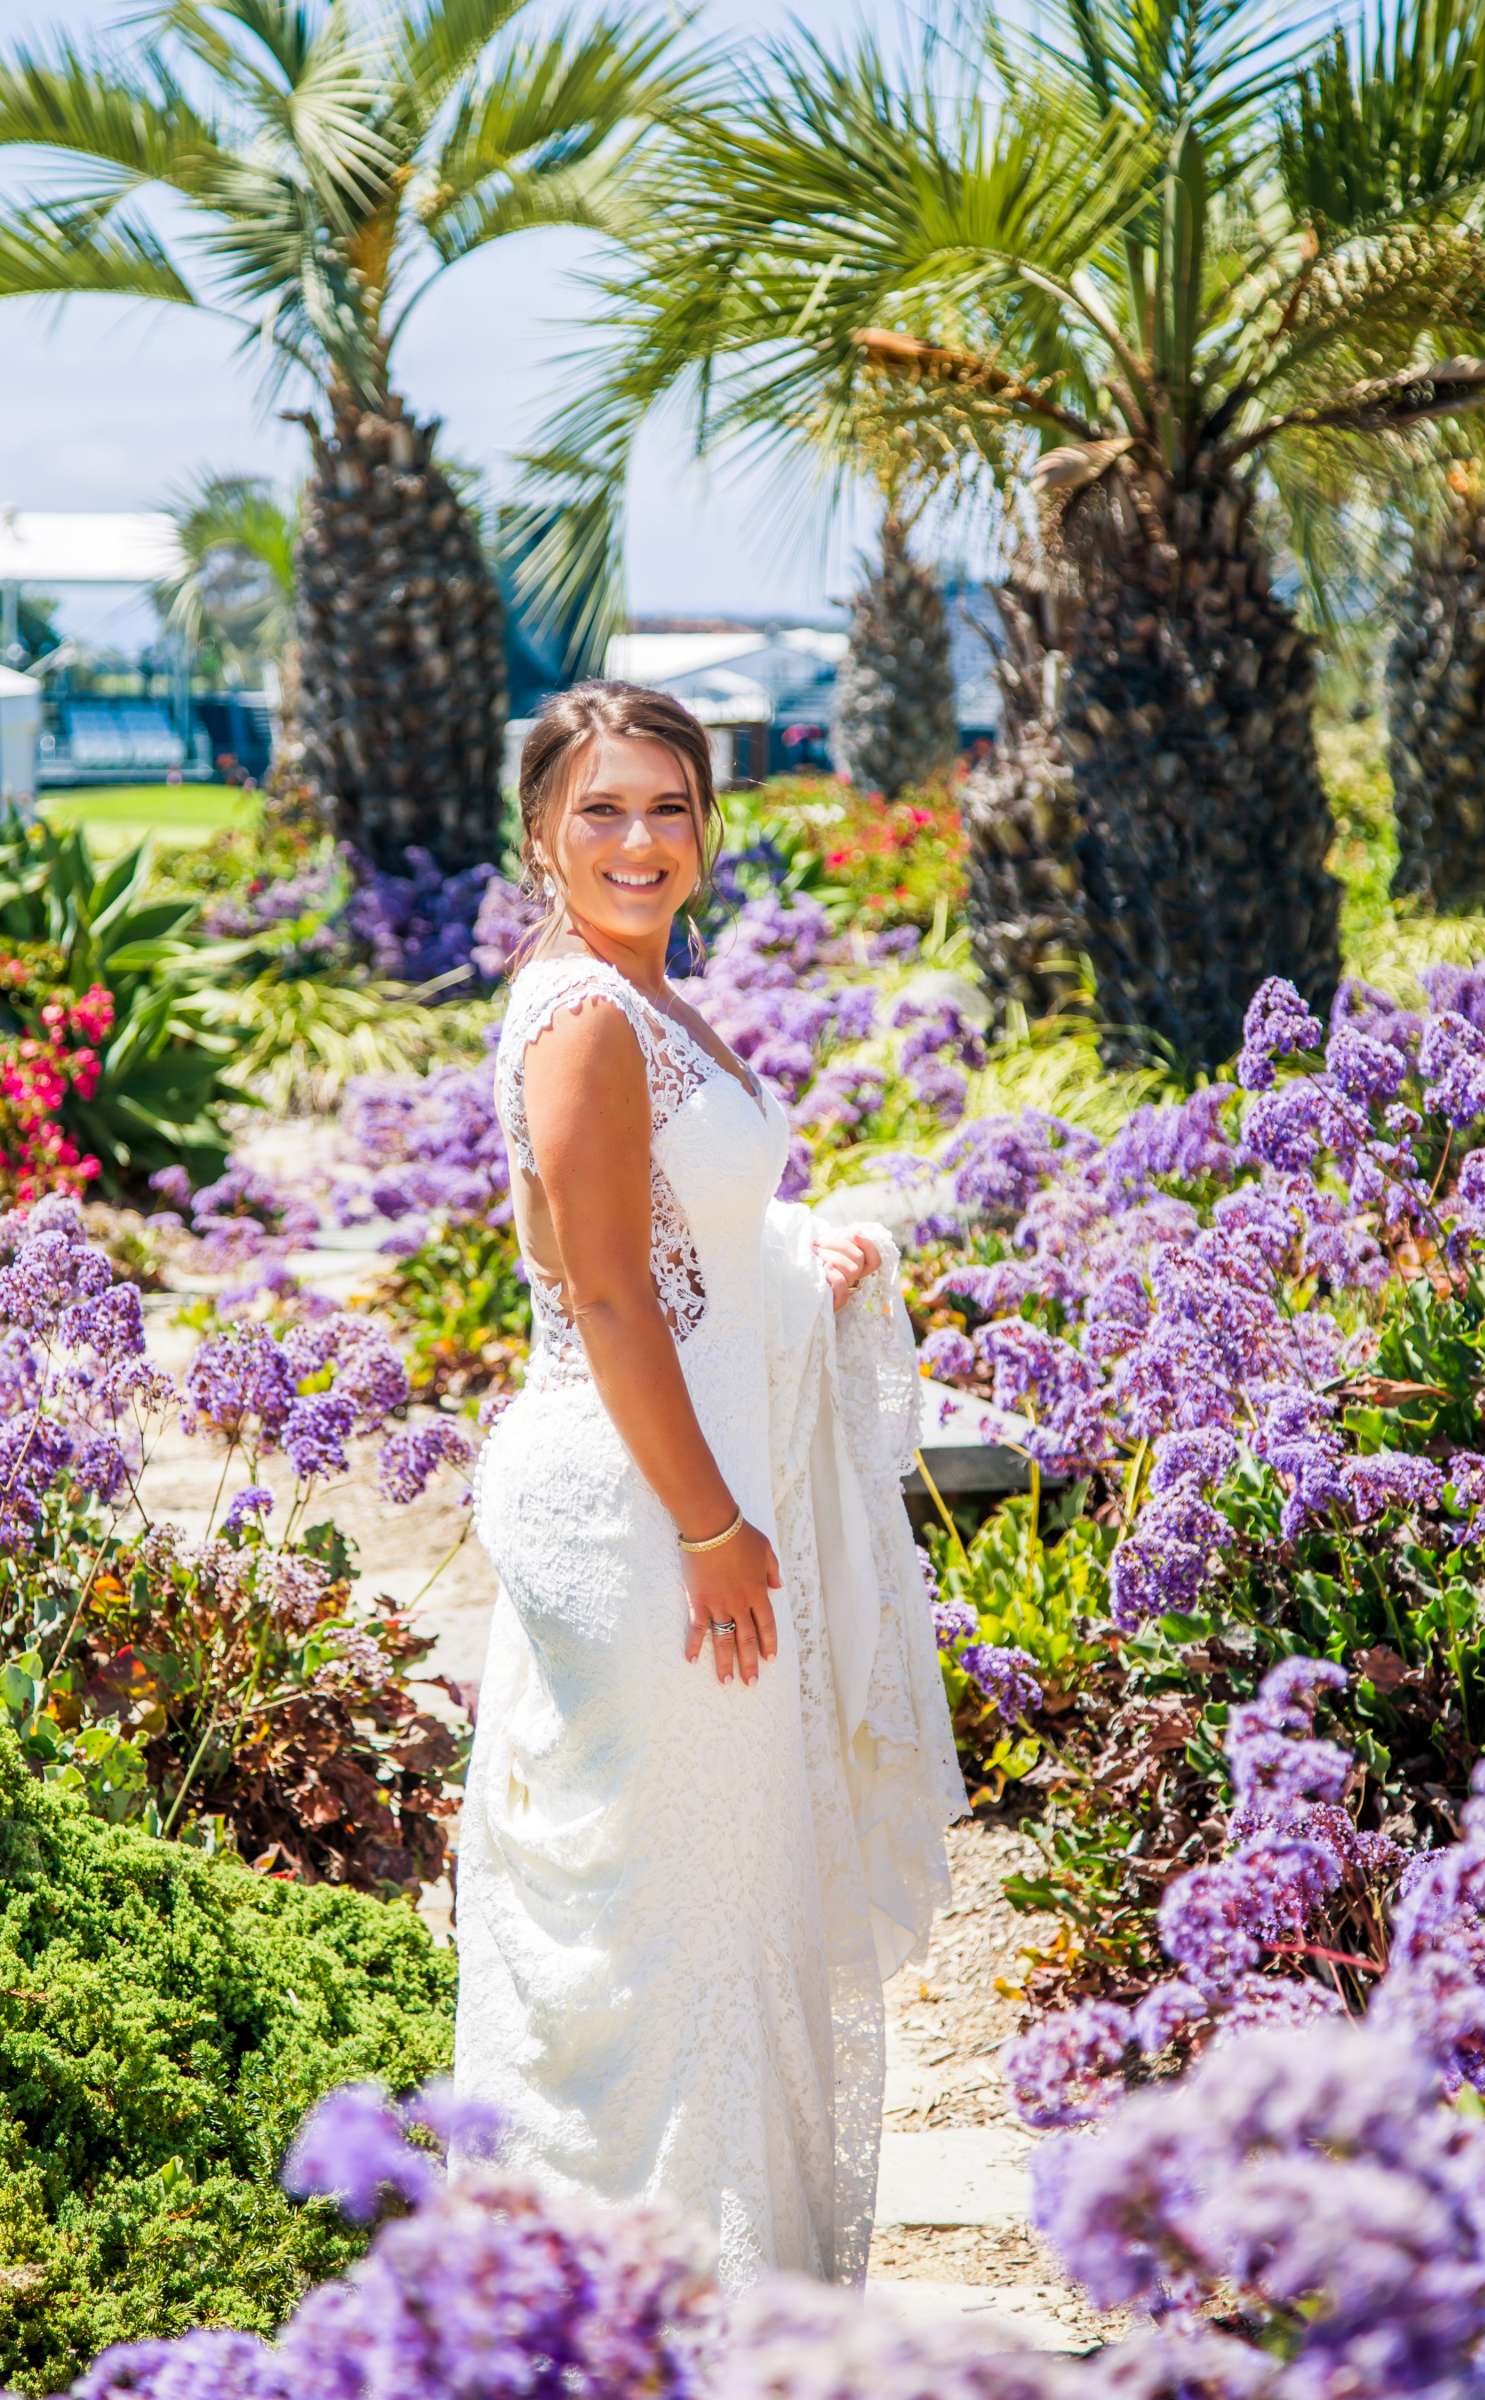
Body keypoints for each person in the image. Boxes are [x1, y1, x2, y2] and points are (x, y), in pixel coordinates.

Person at [454, 680, 967, 2287]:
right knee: (655, 1931)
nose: (638, 840)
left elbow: (678, 1255)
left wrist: (802, 1264)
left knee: (714, 1900)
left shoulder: (651, 993)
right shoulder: (585, 1015)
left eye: (668, 807)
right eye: (601, 809)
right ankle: (657, 2312)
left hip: (674, 1481)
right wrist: (716, 1530)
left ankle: (720, 2297)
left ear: (706, 830)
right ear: (542, 829)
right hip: (641, 1514)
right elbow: (600, 1294)